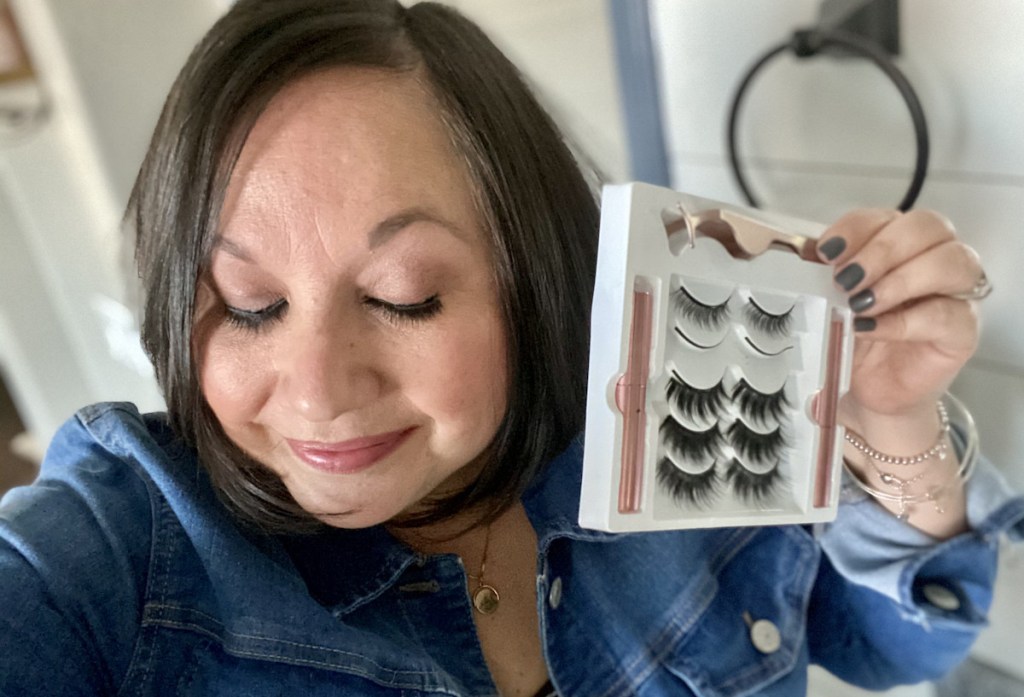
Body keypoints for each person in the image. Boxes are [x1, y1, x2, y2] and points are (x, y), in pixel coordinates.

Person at [1, 1, 1022, 695]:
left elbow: (889, 638)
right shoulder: (121, 562)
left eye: (406, 297)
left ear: (533, 276)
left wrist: (888, 414)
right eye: (250, 305)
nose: (315, 394)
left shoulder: (668, 413)